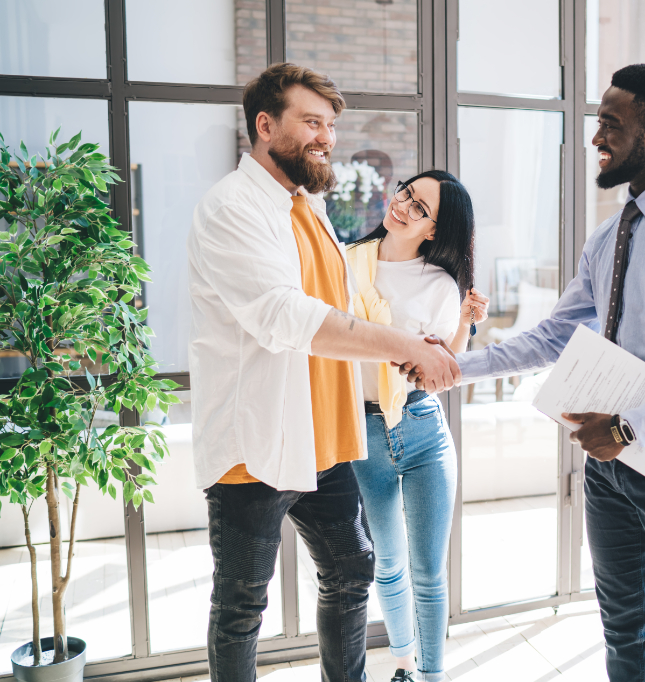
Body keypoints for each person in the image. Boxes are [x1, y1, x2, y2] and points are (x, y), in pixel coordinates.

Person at [407, 63, 645, 682]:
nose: (597, 137)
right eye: (599, 123)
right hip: (610, 469)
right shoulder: (607, 236)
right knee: (623, 630)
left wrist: (628, 425)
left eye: (611, 124)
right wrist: (454, 365)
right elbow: (553, 337)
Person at [186, 62, 460, 682]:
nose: (327, 138)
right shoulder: (231, 207)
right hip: (255, 447)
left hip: (322, 440)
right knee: (241, 607)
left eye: (331, 126)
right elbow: (284, 313)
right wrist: (403, 345)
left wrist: (418, 338)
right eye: (312, 122)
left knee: (351, 569)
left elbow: (342, 304)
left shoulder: (306, 204)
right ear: (265, 124)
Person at [345, 170, 489, 682]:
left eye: (420, 207)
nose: (403, 205)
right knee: (386, 562)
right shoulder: (346, 264)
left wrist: (464, 328)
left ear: (433, 230)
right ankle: (403, 660)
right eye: (406, 192)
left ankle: (432, 675)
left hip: (423, 427)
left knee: (428, 572)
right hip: (365, 433)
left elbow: (444, 369)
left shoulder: (440, 283)